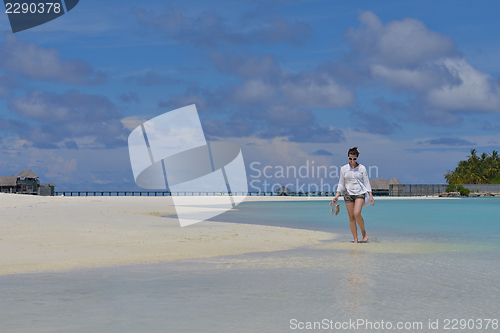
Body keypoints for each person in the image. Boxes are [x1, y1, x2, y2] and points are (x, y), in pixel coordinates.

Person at [331, 147, 374, 243]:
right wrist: (337, 195)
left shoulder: (362, 168)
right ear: (348, 158)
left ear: (357, 158)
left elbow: (366, 182)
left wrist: (370, 195)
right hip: (348, 194)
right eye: (350, 158)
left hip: (360, 193)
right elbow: (341, 183)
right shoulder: (344, 169)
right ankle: (355, 239)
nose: (352, 161)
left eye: (354, 159)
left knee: (356, 213)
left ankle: (363, 231)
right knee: (351, 217)